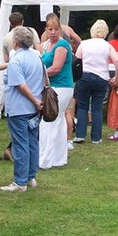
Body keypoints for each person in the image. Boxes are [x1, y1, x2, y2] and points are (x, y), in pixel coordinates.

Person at [0, 27, 44, 192]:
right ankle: (31, 176)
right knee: (32, 142)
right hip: (33, 108)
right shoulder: (37, 58)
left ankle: (20, 181)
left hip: (19, 108)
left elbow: (20, 85)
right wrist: (38, 102)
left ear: (15, 42)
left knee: (20, 144)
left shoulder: (16, 61)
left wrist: (34, 100)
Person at [73, 20, 118, 144]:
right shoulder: (107, 45)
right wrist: (116, 76)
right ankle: (96, 138)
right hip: (101, 78)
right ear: (105, 32)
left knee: (82, 106)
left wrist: (76, 77)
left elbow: (77, 61)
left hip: (84, 76)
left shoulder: (84, 44)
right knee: (97, 108)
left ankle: (80, 135)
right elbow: (117, 61)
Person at [39, 16, 74, 170]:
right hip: (54, 87)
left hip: (61, 87)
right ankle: (58, 158)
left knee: (48, 121)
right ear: (46, 30)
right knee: (58, 121)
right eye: (50, 29)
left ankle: (45, 160)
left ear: (60, 29)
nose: (53, 32)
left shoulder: (62, 45)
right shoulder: (47, 45)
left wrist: (38, 76)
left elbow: (56, 68)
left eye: (55, 29)